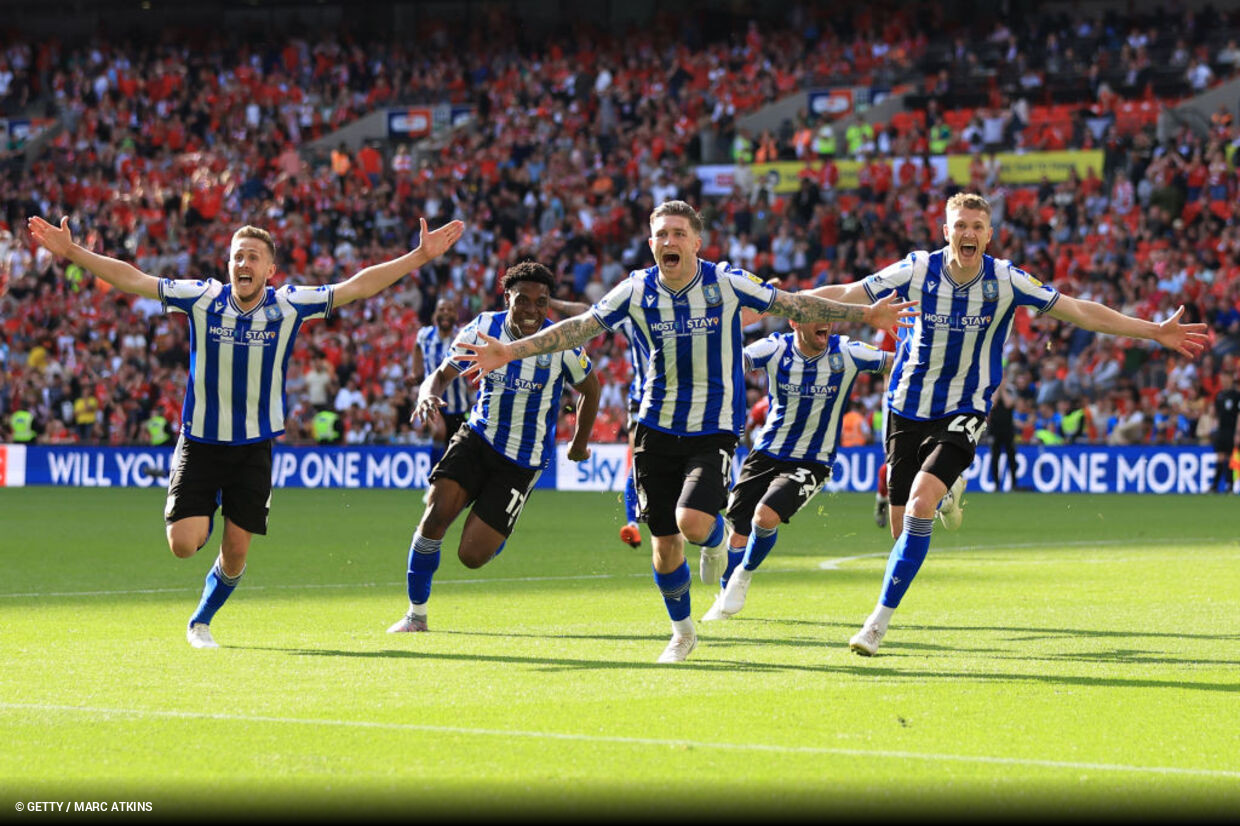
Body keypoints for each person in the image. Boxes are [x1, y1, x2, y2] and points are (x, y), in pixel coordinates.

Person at [454, 200, 914, 662]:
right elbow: (580, 327)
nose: (668, 241)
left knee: (693, 522)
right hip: (654, 427)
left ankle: (713, 541)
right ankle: (683, 632)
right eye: (660, 235)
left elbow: (793, 303)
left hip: (712, 428)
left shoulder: (726, 282)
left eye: (677, 233)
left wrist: (865, 316)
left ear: (696, 242)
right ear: (651, 244)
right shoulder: (636, 290)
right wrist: (511, 352)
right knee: (664, 546)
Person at [27, 213, 464, 649]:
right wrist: (72, 252)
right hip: (200, 442)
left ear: (270, 270)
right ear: (228, 263)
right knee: (183, 543)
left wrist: (420, 256)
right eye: (238, 255)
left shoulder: (288, 305)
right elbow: (134, 279)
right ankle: (202, 513)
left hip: (253, 448)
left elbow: (356, 286)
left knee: (236, 554)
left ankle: (200, 623)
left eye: (253, 256)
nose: (244, 263)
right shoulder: (203, 298)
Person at [810, 192, 1209, 656]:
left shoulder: (1005, 279)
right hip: (905, 408)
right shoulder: (916, 270)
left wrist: (1154, 330)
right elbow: (846, 293)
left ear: (990, 234)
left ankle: (876, 624)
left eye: (977, 226)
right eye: (960, 225)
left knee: (920, 505)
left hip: (964, 408)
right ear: (946, 232)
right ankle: (951, 492)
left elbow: (1078, 310)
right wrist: (781, 304)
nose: (969, 233)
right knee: (902, 529)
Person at [387, 262, 600, 633]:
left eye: (542, 302)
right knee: (434, 518)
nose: (532, 310)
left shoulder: (560, 342)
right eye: (524, 300)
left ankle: (499, 527)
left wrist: (579, 444)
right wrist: (426, 394)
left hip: (523, 460)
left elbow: (591, 389)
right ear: (507, 298)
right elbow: (441, 374)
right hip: (477, 438)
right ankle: (415, 615)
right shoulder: (484, 327)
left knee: (471, 556)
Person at [700, 315, 892, 621]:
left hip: (812, 460)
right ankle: (723, 597)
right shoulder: (776, 347)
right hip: (766, 453)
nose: (825, 323)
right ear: (794, 322)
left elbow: (892, 363)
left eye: (829, 317)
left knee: (765, 516)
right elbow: (739, 361)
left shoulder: (847, 351)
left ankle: (744, 575)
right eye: (817, 316)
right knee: (737, 534)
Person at [550, 296, 648, 549]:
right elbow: (588, 313)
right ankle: (632, 525)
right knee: (638, 460)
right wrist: (553, 302)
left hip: (682, 403)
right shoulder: (635, 316)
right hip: (644, 400)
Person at [413, 297, 475, 451]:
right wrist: (416, 372)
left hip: (459, 405)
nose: (446, 312)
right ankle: (433, 473)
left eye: (450, 310)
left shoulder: (463, 336)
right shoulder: (424, 335)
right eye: (442, 309)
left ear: (456, 315)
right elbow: (417, 347)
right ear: (435, 314)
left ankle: (446, 471)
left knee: (456, 446)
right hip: (433, 400)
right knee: (439, 432)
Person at [1209, 370, 1240, 493]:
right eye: (1222, 378)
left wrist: (1238, 432)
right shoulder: (1219, 395)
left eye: (1226, 377)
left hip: (1232, 430)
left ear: (1231, 379)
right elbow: (1215, 414)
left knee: (1230, 458)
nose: (1224, 380)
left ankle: (1230, 486)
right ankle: (1215, 486)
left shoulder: (1236, 395)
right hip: (1221, 431)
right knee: (1220, 458)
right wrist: (1214, 428)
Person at [987, 373, 1018, 491]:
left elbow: (1008, 403)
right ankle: (996, 484)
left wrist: (1002, 388)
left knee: (1011, 456)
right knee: (995, 457)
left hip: (1008, 428)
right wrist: (998, 389)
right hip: (995, 429)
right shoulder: (991, 389)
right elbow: (992, 405)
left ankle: (1014, 484)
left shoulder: (1011, 389)